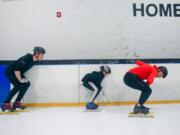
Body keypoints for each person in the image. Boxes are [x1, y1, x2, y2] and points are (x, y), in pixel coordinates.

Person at [1, 47, 46, 112]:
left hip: (18, 72)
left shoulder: (35, 60)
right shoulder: (27, 58)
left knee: (27, 84)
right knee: (18, 85)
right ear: (36, 54)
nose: (42, 57)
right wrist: (20, 79)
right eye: (41, 55)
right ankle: (6, 104)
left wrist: (22, 79)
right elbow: (16, 69)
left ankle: (17, 103)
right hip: (10, 71)